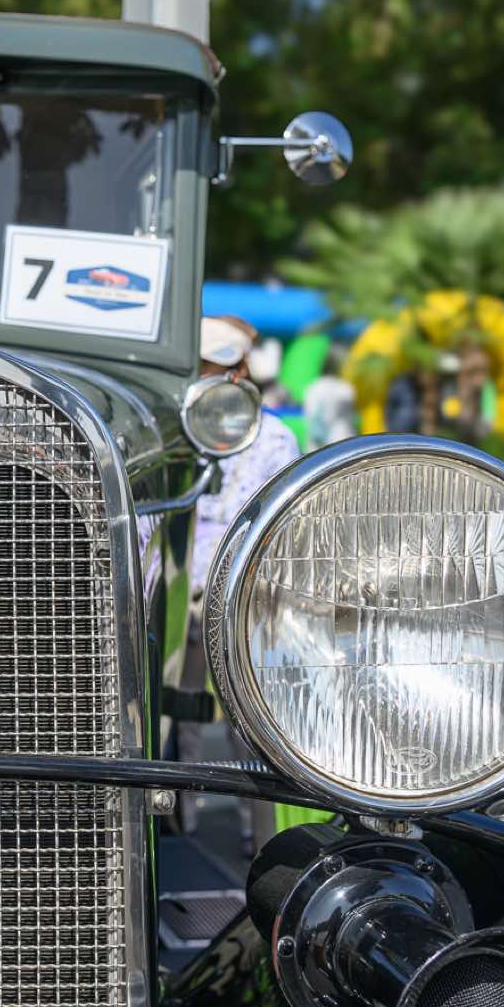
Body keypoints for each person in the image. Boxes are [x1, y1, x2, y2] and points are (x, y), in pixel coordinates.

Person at [170, 314, 301, 851]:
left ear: (240, 371)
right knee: (178, 708)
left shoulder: (275, 437)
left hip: (244, 592)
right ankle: (179, 822)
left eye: (216, 366)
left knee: (248, 716)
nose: (208, 376)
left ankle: (258, 831)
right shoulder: (180, 426)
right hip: (181, 585)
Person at [301, 345, 358, 448]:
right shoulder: (344, 389)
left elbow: (311, 417)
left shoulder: (313, 387)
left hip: (317, 447)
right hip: (341, 442)